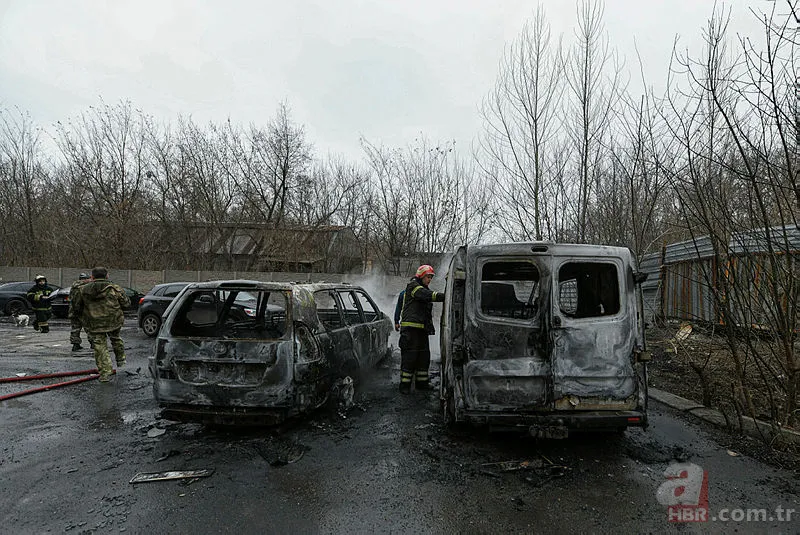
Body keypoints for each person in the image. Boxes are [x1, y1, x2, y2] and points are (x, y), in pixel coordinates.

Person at [71, 267, 130, 383]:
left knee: (99, 346)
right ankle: (121, 360)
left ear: (92, 277)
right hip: (114, 320)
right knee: (116, 339)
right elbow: (126, 303)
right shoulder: (115, 288)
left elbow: (76, 306)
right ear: (107, 275)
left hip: (94, 322)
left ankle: (105, 373)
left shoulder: (83, 290)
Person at [398, 264, 445, 394]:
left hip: (422, 331)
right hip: (411, 331)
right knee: (410, 358)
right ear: (421, 276)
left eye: (431, 277)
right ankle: (404, 386)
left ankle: (422, 383)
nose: (429, 280)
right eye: (428, 277)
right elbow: (426, 295)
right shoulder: (413, 286)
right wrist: (446, 296)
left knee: (423, 357)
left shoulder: (423, 288)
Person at [68, 272, 92, 351]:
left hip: (73, 311)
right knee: (89, 328)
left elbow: (71, 298)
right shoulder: (85, 287)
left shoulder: (74, 286)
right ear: (85, 279)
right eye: (89, 278)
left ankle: (75, 344)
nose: (90, 280)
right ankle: (93, 344)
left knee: (75, 329)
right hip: (84, 311)